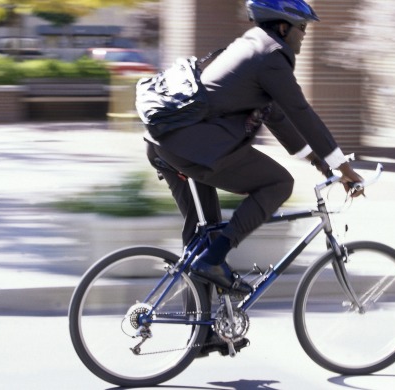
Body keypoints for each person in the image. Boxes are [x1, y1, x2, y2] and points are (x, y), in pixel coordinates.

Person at [145, 0, 364, 296]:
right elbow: (301, 112)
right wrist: (344, 168)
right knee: (279, 183)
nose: (305, 34)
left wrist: (318, 161)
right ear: (283, 27)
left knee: (204, 237)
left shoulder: (249, 46)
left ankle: (203, 334)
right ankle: (212, 261)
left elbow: (276, 115)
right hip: (192, 148)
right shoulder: (271, 56)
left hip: (169, 143)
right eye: (302, 27)